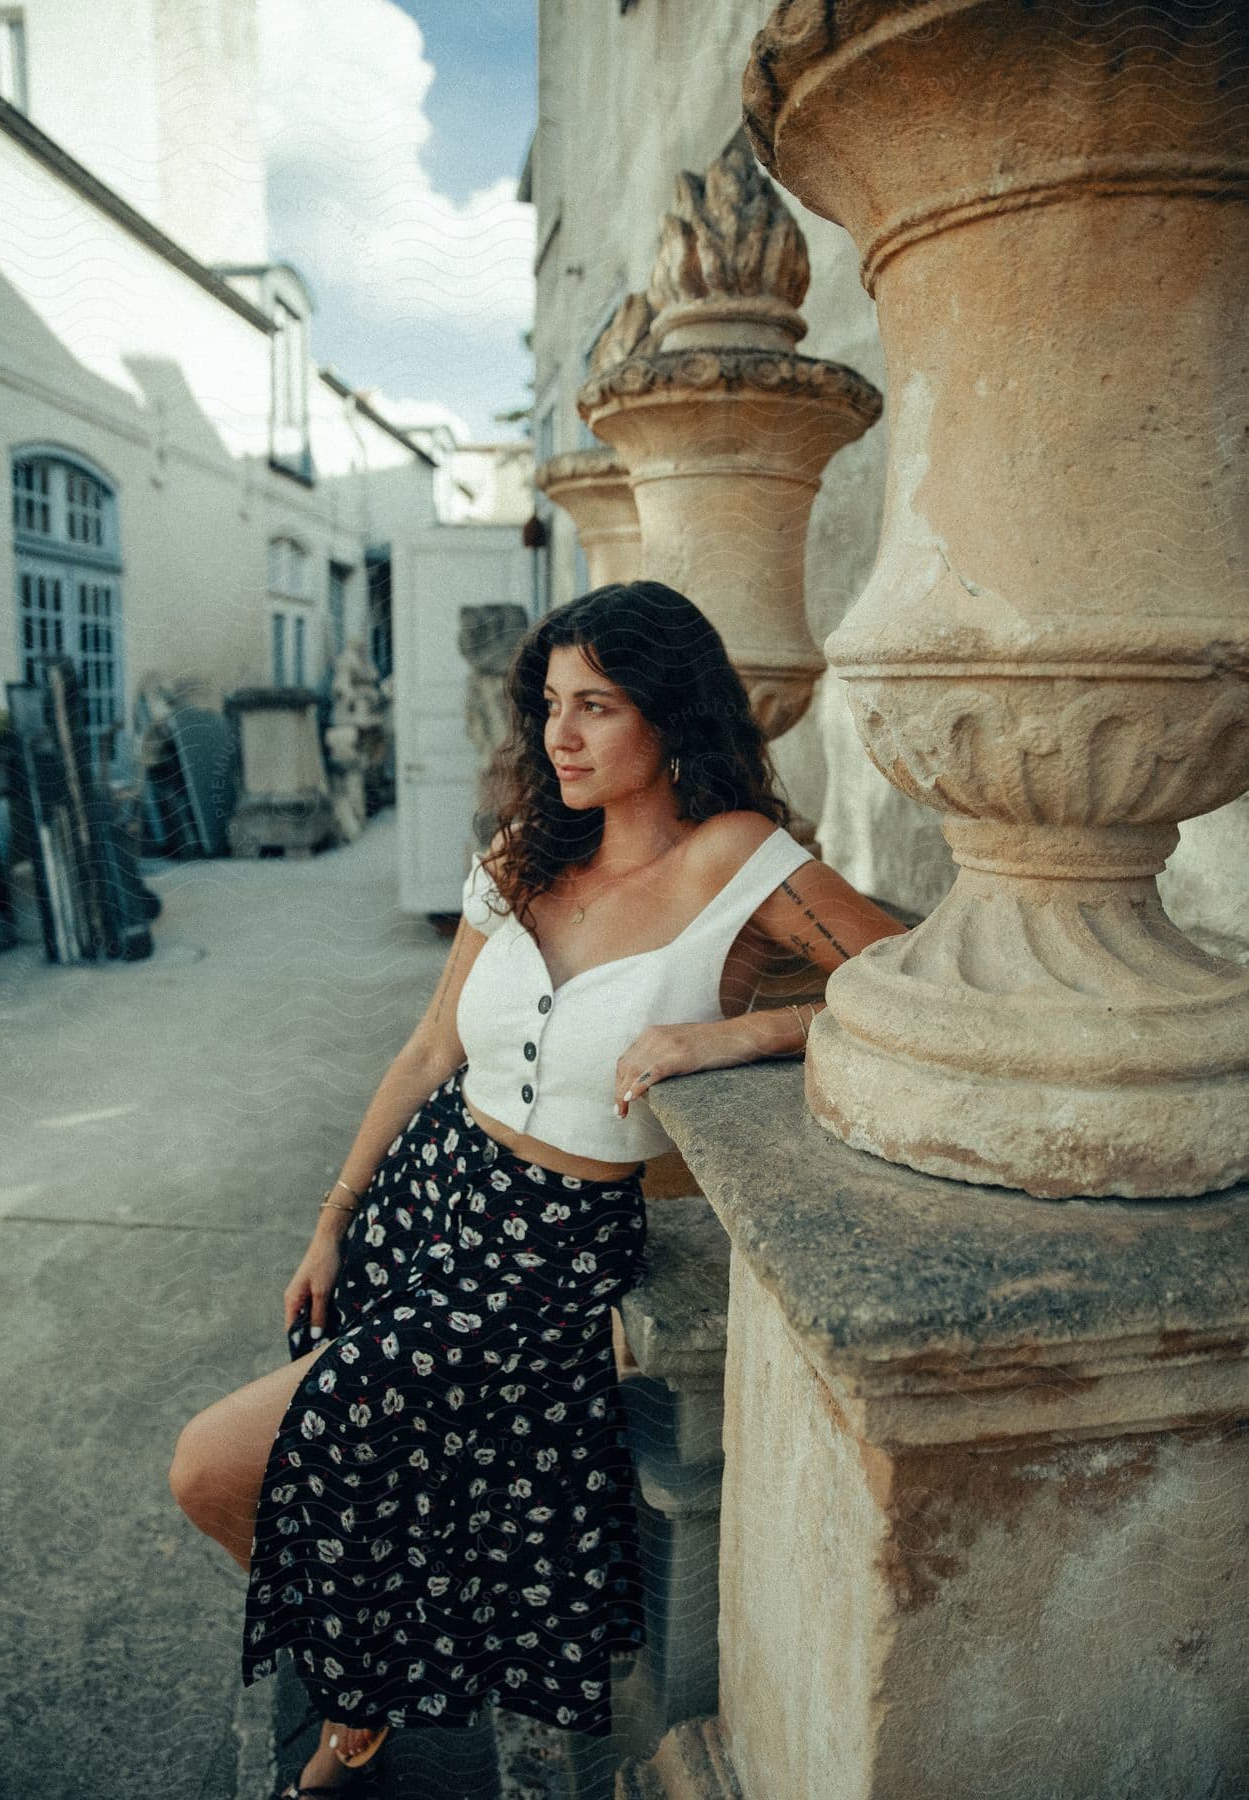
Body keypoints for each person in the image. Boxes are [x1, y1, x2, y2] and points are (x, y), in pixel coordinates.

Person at [168, 581, 905, 1798]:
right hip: (427, 1195)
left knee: (216, 1464)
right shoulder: (521, 853)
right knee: (363, 1463)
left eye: (595, 707)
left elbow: (908, 986)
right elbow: (425, 1052)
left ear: (665, 716)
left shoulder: (736, 862)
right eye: (550, 705)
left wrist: (731, 1037)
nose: (558, 735)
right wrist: (330, 1222)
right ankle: (368, 1697)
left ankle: (362, 1689)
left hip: (546, 1251)